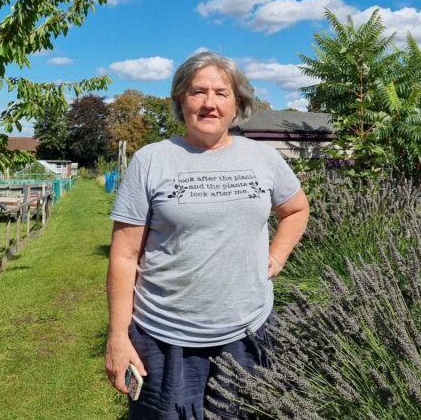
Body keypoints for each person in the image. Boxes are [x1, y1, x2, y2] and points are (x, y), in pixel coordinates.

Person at [105, 52, 310, 419]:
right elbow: (123, 255)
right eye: (198, 92)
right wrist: (119, 336)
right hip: (164, 337)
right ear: (181, 100)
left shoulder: (263, 158)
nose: (209, 104)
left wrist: (276, 257)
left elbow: (296, 210)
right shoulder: (151, 160)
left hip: (247, 334)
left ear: (237, 105)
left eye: (221, 93)